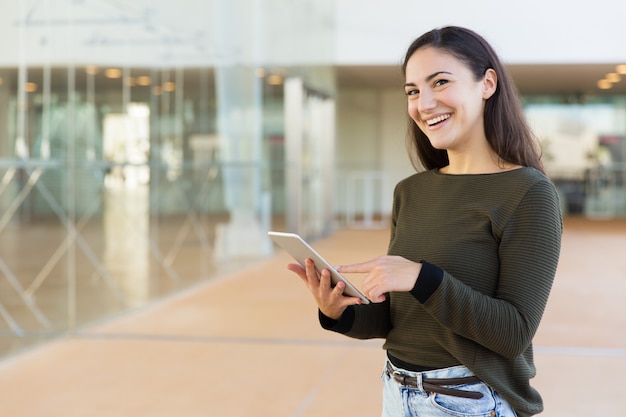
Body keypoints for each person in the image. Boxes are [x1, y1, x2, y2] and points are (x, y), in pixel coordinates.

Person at [287, 26, 562, 417]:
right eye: (413, 91)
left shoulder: (527, 193)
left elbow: (513, 333)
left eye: (440, 82)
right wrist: (339, 311)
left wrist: (421, 277)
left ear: (487, 84)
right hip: (396, 393)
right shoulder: (410, 191)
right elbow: (400, 320)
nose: (424, 103)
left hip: (470, 402)